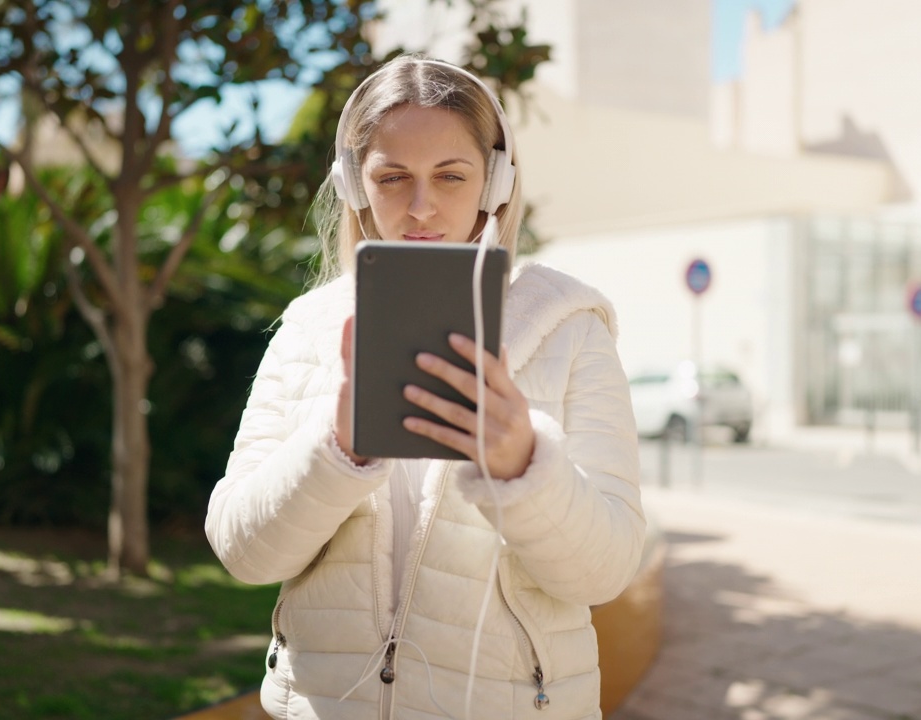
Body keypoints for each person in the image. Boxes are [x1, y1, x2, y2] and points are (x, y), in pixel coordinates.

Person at [205, 54, 647, 720]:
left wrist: (526, 467)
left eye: (450, 175)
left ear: (495, 181)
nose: (420, 207)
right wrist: (336, 450)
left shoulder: (571, 328)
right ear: (355, 186)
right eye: (392, 177)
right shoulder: (306, 329)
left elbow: (606, 571)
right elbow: (242, 550)